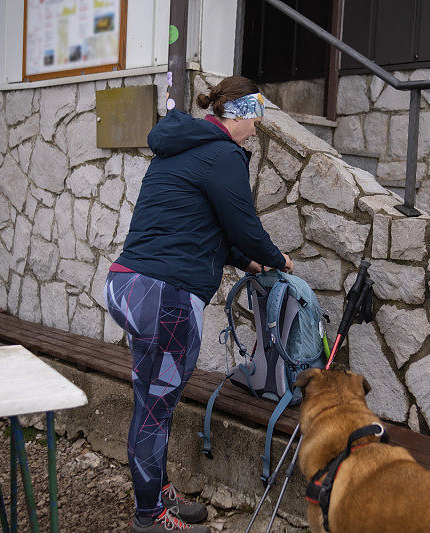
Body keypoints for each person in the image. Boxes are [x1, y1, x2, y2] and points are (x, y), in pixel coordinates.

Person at [105, 76, 293, 533]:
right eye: (259, 113)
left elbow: (206, 230)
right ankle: (150, 518)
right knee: (154, 409)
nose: (259, 125)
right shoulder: (225, 155)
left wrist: (249, 265)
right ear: (243, 113)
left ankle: (156, 491)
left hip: (129, 286)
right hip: (165, 297)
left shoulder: (180, 147)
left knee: (151, 403)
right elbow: (243, 226)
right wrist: (275, 259)